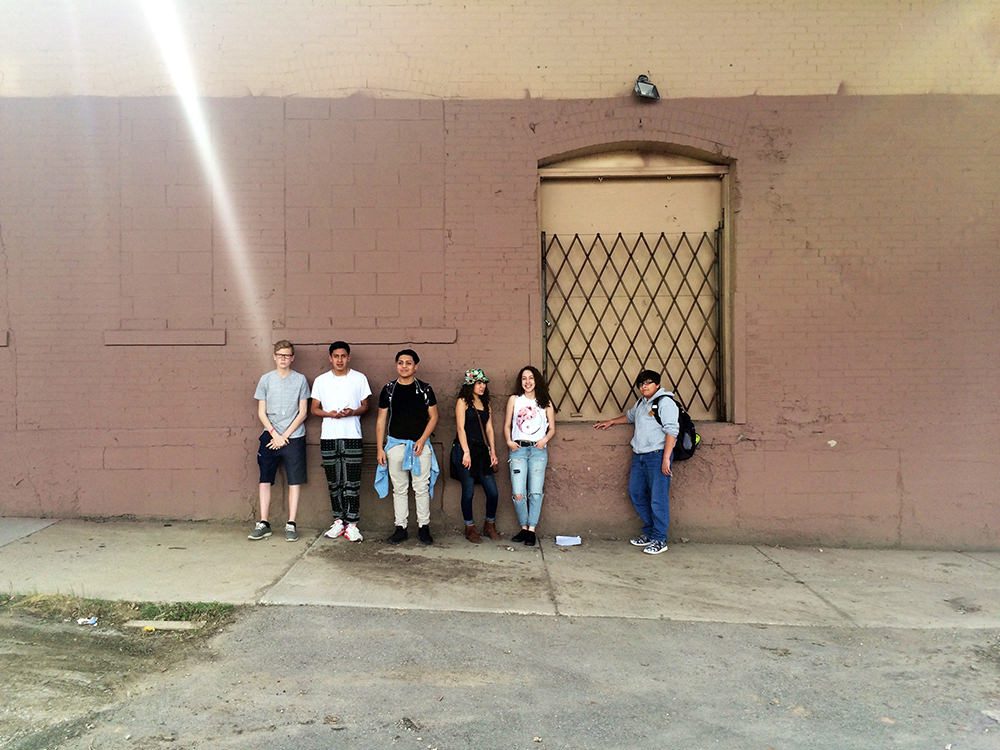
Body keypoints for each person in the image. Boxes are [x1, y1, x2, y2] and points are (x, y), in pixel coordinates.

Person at [592, 369, 679, 555]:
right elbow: (630, 417)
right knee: (636, 492)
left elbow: (672, 431)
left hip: (657, 456)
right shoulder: (641, 403)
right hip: (639, 456)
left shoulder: (665, 403)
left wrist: (666, 458)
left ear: (657, 384)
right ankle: (649, 532)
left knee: (658, 499)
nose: (643, 387)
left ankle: (659, 539)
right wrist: (612, 422)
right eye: (641, 384)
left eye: (648, 383)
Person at [375, 349, 440, 545]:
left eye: (408, 363)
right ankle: (400, 527)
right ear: (396, 365)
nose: (404, 366)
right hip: (395, 446)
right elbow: (381, 420)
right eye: (400, 362)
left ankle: (424, 527)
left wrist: (422, 440)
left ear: (415, 366)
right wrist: (380, 448)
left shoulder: (425, 389)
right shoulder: (388, 389)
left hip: (420, 447)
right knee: (400, 489)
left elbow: (434, 416)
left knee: (421, 488)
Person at [310, 341, 371, 543]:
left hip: (352, 435)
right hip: (329, 436)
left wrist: (352, 412)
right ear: (330, 358)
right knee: (333, 482)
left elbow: (365, 406)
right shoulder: (321, 380)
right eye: (336, 356)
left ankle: (352, 524)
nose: (339, 360)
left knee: (352, 482)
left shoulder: (359, 378)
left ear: (348, 357)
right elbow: (314, 409)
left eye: (343, 356)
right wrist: (329, 414)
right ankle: (338, 521)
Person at [249, 340, 310, 542]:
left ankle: (291, 524)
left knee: (294, 480)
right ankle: (264, 522)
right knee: (265, 479)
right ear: (274, 356)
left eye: (287, 355)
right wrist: (275, 434)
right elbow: (261, 412)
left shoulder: (301, 380)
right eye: (280, 355)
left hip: (294, 436)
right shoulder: (265, 380)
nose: (284, 358)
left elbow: (302, 413)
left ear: (292, 358)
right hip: (270, 435)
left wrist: (285, 436)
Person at [503, 366, 556, 547]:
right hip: (518, 449)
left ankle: (530, 530)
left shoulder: (545, 401)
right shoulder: (515, 399)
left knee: (535, 493)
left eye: (531, 378)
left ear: (537, 380)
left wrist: (545, 440)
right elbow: (507, 425)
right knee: (518, 493)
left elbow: (552, 428)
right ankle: (523, 527)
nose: (527, 382)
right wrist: (509, 441)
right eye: (524, 378)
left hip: (538, 451)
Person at [450, 368, 501, 543]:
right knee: (469, 491)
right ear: (470, 384)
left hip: (481, 451)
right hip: (465, 450)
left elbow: (489, 429)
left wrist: (492, 452)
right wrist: (465, 452)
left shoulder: (486, 404)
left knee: (493, 492)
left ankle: (489, 525)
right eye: (478, 383)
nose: (482, 386)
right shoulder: (463, 402)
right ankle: (469, 527)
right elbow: (460, 428)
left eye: (484, 383)